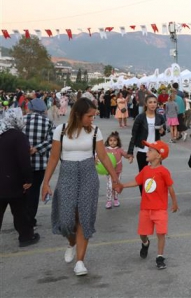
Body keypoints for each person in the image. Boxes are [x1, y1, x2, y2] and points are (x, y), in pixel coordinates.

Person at [41, 98, 122, 276]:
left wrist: (115, 179)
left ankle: (80, 262)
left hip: (88, 175)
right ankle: (71, 243)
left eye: (94, 116)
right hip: (67, 175)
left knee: (84, 216)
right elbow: (53, 158)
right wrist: (45, 183)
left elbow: (103, 156)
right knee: (66, 220)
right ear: (78, 114)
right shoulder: (60, 130)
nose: (92, 119)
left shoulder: (95, 131)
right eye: (89, 116)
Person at [121, 140, 178, 270]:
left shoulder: (164, 171)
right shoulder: (145, 169)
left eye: (150, 150)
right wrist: (122, 185)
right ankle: (145, 243)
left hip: (160, 209)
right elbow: (137, 181)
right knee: (142, 233)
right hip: (146, 208)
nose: (147, 152)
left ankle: (160, 257)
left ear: (158, 155)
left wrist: (174, 203)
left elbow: (170, 187)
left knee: (161, 233)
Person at [0, 108, 40, 247]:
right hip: (14, 182)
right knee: (20, 211)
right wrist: (28, 179)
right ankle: (26, 237)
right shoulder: (18, 136)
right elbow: (24, 160)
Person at [23, 97, 54, 228]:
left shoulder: (21, 120)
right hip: (39, 164)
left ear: (30, 108)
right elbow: (52, 140)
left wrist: (25, 149)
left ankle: (21, 219)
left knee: (21, 192)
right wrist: (37, 148)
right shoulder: (48, 122)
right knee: (34, 192)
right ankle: (30, 220)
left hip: (21, 164)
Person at [128, 95, 165, 176]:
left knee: (157, 175)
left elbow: (163, 131)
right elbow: (134, 135)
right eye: (150, 102)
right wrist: (130, 152)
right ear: (146, 104)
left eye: (154, 102)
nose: (153, 104)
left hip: (156, 151)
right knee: (143, 175)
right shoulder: (140, 117)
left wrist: (162, 131)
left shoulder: (160, 117)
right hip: (143, 150)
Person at [103, 131, 130, 209]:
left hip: (118, 171)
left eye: (115, 140)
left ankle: (116, 199)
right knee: (109, 186)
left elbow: (126, 155)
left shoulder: (119, 150)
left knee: (117, 185)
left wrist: (130, 156)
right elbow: (101, 156)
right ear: (108, 141)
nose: (112, 142)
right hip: (109, 171)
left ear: (118, 141)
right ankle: (109, 200)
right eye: (110, 140)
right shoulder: (106, 150)